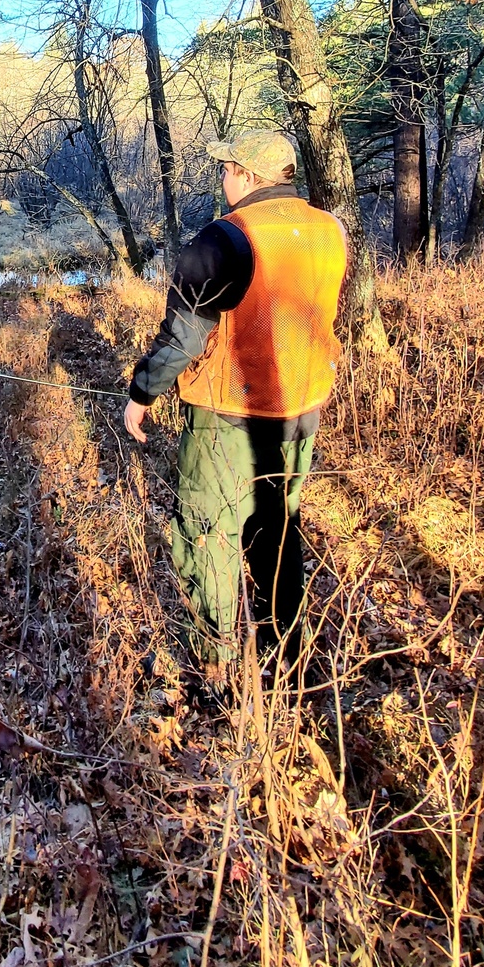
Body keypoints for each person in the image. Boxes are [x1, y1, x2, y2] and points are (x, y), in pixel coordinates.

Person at [123, 129, 347, 676]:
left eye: (227, 168)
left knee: (208, 537)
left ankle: (218, 678)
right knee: (278, 528)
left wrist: (140, 393)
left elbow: (183, 339)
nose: (222, 177)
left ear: (248, 175)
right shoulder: (329, 231)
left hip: (229, 419)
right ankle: (286, 659)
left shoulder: (224, 240)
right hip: (301, 414)